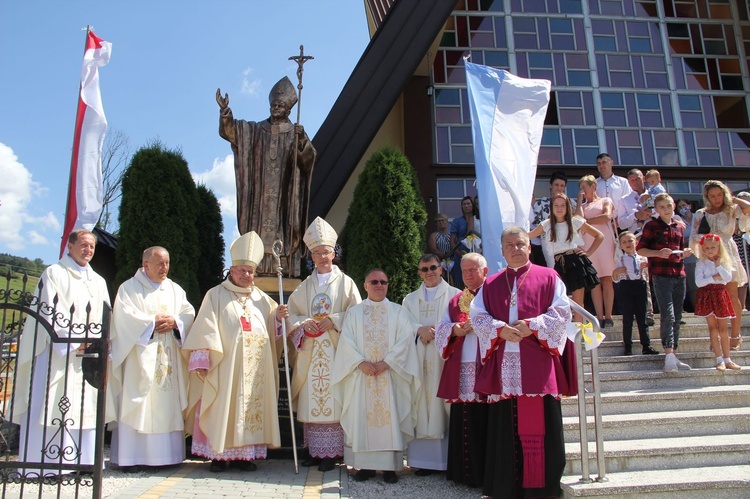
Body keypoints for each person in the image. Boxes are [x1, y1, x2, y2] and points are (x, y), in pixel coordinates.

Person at [470, 227, 575, 499]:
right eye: (509, 245)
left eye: (520, 244)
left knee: (542, 427)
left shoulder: (549, 277)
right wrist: (498, 329)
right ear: (502, 250)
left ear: (530, 247)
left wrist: (532, 326)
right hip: (504, 366)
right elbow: (477, 317)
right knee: (504, 428)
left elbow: (562, 312)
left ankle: (542, 489)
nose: (515, 249)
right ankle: (506, 487)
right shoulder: (491, 283)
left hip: (536, 364)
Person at [183, 231, 288, 472]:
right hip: (226, 367)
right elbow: (205, 327)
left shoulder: (262, 299)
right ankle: (219, 456)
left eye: (250, 271)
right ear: (232, 270)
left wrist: (279, 320)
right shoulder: (216, 294)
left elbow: (274, 330)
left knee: (250, 408)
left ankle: (244, 457)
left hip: (255, 371)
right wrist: (204, 358)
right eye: (242, 270)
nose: (247, 275)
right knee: (224, 407)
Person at [13, 229, 110, 476]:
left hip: (88, 356)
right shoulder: (54, 273)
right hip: (57, 352)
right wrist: (72, 340)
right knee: (54, 401)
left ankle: (85, 461)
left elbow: (105, 314)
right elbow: (49, 310)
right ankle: (47, 466)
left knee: (85, 405)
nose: (88, 250)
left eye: (91, 247)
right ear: (70, 246)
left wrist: (97, 340)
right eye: (83, 245)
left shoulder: (97, 280)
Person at [216, 77, 316, 277]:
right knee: (257, 232)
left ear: (288, 110)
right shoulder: (255, 130)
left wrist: (302, 140)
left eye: (280, 105)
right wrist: (225, 112)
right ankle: (258, 269)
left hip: (284, 197)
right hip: (260, 199)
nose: (275, 108)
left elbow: (308, 160)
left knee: (285, 229)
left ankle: (284, 269)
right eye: (273, 105)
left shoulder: (294, 133)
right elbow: (234, 132)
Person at [109, 246, 195, 471]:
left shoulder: (175, 289)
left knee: (166, 404)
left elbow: (188, 313)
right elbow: (123, 318)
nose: (164, 267)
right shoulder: (129, 288)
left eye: (167, 263)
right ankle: (131, 458)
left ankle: (169, 457)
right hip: (140, 359)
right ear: (145, 264)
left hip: (168, 359)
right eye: (159, 263)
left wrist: (176, 322)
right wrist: (151, 323)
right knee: (139, 403)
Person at [331, 269, 420, 485]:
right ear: (365, 285)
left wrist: (387, 362)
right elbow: (346, 343)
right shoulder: (354, 313)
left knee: (391, 418)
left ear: (388, 285)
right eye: (374, 281)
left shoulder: (398, 312)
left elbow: (406, 340)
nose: (379, 285)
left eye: (383, 282)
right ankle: (366, 467)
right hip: (362, 375)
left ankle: (390, 468)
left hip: (391, 375)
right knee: (362, 416)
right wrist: (360, 362)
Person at [287, 217, 362, 472]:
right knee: (312, 398)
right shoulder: (304, 286)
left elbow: (358, 313)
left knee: (334, 397)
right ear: (311, 256)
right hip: (310, 351)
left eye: (326, 252)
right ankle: (314, 450)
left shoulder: (346, 283)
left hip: (335, 350)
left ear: (334, 253)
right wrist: (303, 324)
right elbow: (291, 315)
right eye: (317, 253)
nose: (322, 257)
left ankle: (333, 452)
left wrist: (335, 320)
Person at [402, 254, 461, 476]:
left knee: (442, 403)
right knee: (419, 402)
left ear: (441, 269)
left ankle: (447, 461)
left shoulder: (455, 295)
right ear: (419, 273)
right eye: (424, 269)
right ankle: (423, 462)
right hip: (417, 359)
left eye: (433, 267)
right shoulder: (409, 299)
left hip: (443, 359)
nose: (429, 272)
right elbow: (403, 322)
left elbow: (459, 322)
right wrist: (419, 329)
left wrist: (437, 331)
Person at [434, 252, 489, 488]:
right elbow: (441, 329)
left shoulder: (493, 295)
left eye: (472, 270)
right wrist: (455, 330)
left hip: (486, 366)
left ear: (485, 271)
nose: (467, 275)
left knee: (485, 422)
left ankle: (486, 474)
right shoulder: (456, 300)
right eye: (464, 271)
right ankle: (462, 472)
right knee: (464, 419)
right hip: (462, 367)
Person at [690, 180, 750, 351]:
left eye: (719, 194)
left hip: (728, 253)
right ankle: (717, 338)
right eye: (712, 196)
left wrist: (734, 199)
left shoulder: (731, 210)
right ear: (707, 197)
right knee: (714, 296)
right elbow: (693, 236)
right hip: (709, 252)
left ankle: (735, 335)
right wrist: (707, 242)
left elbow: (749, 208)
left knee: (732, 295)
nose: (716, 199)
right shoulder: (701, 213)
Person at [637, 193, 694, 373]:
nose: (666, 210)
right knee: (667, 314)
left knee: (677, 316)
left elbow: (679, 248)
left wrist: (685, 253)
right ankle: (668, 354)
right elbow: (641, 249)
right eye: (662, 207)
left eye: (668, 206)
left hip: (679, 272)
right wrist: (657, 253)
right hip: (661, 275)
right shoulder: (652, 225)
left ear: (673, 206)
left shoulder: (679, 226)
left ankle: (673, 354)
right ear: (657, 209)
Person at [528, 193, 603, 322]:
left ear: (568, 207)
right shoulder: (546, 224)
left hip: (575, 261)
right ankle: (564, 331)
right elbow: (528, 236)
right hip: (558, 263)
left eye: (562, 205)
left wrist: (589, 252)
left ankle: (579, 335)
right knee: (559, 299)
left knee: (578, 300)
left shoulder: (575, 221)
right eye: (556, 205)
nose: (559, 208)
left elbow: (599, 235)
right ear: (551, 207)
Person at [693, 234, 741, 371]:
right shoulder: (701, 263)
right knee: (713, 328)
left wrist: (718, 266)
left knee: (724, 328)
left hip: (720, 295)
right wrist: (714, 277)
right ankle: (719, 358)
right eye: (707, 248)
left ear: (719, 248)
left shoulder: (724, 262)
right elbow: (699, 282)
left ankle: (728, 359)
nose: (710, 250)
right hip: (707, 296)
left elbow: (726, 278)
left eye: (713, 247)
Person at [577, 175, 617, 329]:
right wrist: (580, 202)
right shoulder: (583, 207)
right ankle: (599, 316)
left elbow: (606, 216)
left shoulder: (605, 200)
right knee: (595, 282)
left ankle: (609, 315)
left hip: (604, 243)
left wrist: (586, 223)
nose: (582, 191)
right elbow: (577, 220)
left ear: (593, 186)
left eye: (584, 187)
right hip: (589, 244)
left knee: (607, 279)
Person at [612, 232, 658, 356]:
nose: (628, 244)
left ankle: (646, 345)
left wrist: (647, 267)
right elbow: (615, 278)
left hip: (640, 285)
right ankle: (627, 345)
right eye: (624, 242)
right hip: (627, 286)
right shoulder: (620, 259)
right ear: (620, 246)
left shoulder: (643, 257)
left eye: (630, 241)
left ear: (636, 243)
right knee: (627, 318)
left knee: (642, 317)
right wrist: (616, 272)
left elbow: (649, 275)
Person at [529, 171, 574, 267]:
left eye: (562, 186)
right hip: (548, 239)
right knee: (553, 266)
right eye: (556, 185)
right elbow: (536, 224)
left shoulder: (570, 203)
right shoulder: (542, 203)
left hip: (566, 238)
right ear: (551, 185)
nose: (559, 188)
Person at [449, 196, 482, 288]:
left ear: (473, 205)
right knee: (460, 274)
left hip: (475, 248)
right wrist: (458, 253)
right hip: (460, 249)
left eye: (468, 203)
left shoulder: (479, 218)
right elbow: (452, 240)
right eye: (464, 204)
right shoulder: (457, 221)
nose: (466, 206)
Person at [595, 153, 632, 229]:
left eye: (604, 162)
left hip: (621, 224)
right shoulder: (594, 184)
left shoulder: (623, 182)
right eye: (599, 163)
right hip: (601, 225)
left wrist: (617, 219)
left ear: (611, 163)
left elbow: (628, 202)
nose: (601, 166)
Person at [677, 198, 698, 311]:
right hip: (688, 258)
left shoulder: (698, 217)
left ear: (689, 205)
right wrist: (689, 241)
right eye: (679, 207)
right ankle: (696, 309)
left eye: (684, 205)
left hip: (702, 255)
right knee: (692, 286)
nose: (682, 208)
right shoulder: (678, 221)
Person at [427, 213, 452, 279]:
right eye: (439, 221)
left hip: (451, 260)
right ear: (436, 224)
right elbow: (433, 249)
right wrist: (443, 256)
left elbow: (454, 245)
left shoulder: (451, 235)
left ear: (447, 222)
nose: (441, 222)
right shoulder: (434, 235)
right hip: (439, 260)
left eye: (442, 220)